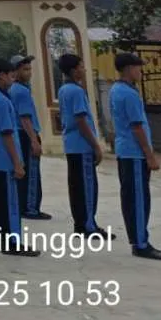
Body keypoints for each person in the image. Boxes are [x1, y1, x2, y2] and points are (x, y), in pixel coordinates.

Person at [110, 51, 161, 259]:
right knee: (138, 199)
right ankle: (141, 243)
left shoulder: (117, 90)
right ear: (128, 69)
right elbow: (137, 127)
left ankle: (138, 239)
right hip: (134, 153)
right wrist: (150, 155)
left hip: (126, 150)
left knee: (132, 197)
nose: (140, 71)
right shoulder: (128, 94)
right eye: (138, 67)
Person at [0, 58, 37, 256]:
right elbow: (7, 133)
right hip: (6, 160)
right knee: (11, 204)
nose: (13, 78)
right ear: (1, 75)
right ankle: (13, 242)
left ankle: (6, 240)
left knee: (1, 203)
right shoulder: (2, 101)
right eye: (10, 74)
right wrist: (17, 163)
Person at [56, 53, 105, 236]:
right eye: (81, 66)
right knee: (87, 187)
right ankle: (88, 226)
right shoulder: (76, 91)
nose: (84, 70)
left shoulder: (63, 89)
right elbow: (81, 120)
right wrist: (96, 145)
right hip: (81, 145)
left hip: (71, 144)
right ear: (74, 70)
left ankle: (80, 223)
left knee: (76, 187)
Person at [8, 55, 49, 220]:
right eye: (25, 69)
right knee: (32, 173)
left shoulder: (13, 89)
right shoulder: (21, 91)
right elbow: (25, 117)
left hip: (19, 134)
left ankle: (22, 205)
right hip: (26, 134)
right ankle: (31, 208)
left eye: (30, 69)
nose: (29, 72)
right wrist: (34, 140)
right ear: (15, 71)